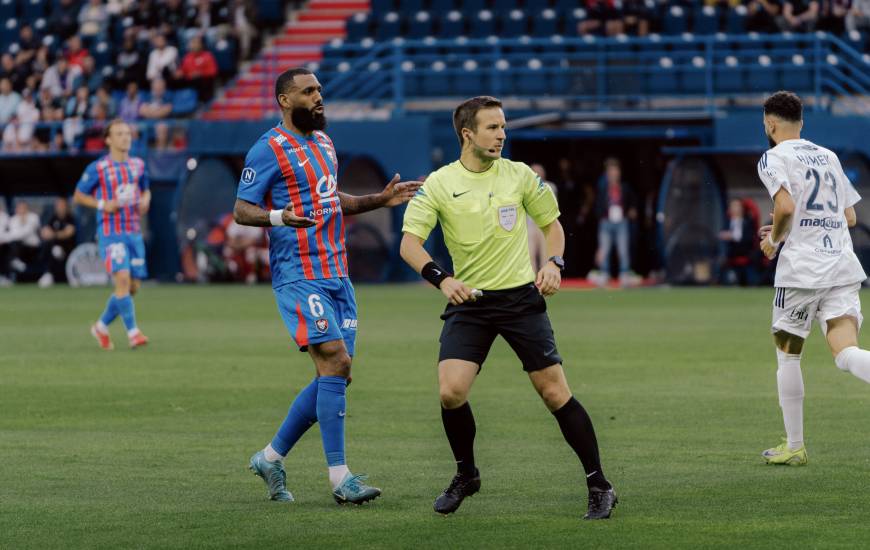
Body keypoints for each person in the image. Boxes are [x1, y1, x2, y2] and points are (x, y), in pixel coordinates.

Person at [399, 96, 617, 520]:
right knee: (450, 391)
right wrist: (442, 279)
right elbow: (410, 243)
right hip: (471, 303)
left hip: (520, 300)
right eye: (492, 127)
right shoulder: (440, 183)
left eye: (503, 127)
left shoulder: (519, 175)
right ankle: (467, 474)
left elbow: (552, 227)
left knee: (555, 393)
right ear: (467, 134)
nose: (501, 135)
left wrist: (554, 262)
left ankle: (600, 485)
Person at [232, 67, 421, 505]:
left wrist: (378, 200)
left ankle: (270, 456)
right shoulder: (268, 148)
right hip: (297, 273)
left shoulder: (324, 143)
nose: (319, 97)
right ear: (284, 100)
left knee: (337, 371)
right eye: (308, 91)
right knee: (335, 360)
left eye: (320, 89)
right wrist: (280, 217)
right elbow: (242, 210)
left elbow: (330, 199)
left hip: (338, 272)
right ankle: (340, 478)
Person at [757, 91, 870, 466]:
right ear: (801, 122)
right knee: (845, 353)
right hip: (841, 266)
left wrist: (774, 240)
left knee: (788, 358)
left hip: (802, 273)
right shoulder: (829, 156)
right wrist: (792, 225)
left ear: (770, 124)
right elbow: (849, 217)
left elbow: (786, 206)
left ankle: (795, 446)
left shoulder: (773, 157)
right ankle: (793, 446)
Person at [73, 119, 151, 350]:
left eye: (127, 133)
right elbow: (78, 195)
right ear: (108, 139)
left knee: (132, 287)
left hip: (133, 232)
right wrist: (102, 204)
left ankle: (101, 326)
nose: (125, 137)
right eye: (119, 134)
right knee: (123, 280)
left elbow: (145, 188)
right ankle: (133, 333)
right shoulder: (98, 168)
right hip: (111, 231)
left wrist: (146, 199)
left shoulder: (138, 165)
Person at [590, 157, 638, 287]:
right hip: (606, 222)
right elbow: (597, 204)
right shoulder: (602, 188)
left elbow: (632, 202)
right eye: (611, 172)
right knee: (604, 249)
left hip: (621, 222)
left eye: (615, 171)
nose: (613, 174)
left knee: (623, 249)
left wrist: (631, 210)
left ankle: (624, 274)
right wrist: (600, 217)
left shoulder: (624, 187)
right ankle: (605, 273)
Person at [38, 197, 77, 287]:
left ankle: (49, 274)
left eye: (62, 205)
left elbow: (68, 233)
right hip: (53, 248)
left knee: (56, 249)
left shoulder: (70, 218)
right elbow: (44, 232)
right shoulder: (53, 217)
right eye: (58, 205)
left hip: (68, 249)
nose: (60, 207)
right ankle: (48, 274)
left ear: (66, 207)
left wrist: (54, 234)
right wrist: (53, 234)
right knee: (50, 247)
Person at [719, 198, 756, 286]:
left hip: (745, 255)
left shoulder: (748, 223)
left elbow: (749, 239)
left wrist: (732, 236)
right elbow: (721, 235)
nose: (735, 209)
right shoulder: (726, 223)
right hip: (729, 255)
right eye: (733, 206)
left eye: (737, 206)